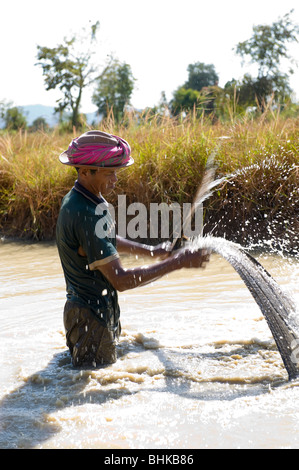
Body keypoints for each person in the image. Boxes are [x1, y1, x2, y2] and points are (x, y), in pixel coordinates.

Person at [56, 130, 209, 368]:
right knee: (93, 392)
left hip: (89, 314)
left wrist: (151, 251)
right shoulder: (86, 213)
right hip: (90, 320)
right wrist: (178, 262)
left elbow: (104, 238)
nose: (115, 180)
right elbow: (121, 280)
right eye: (109, 173)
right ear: (85, 171)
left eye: (116, 172)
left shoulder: (81, 199)